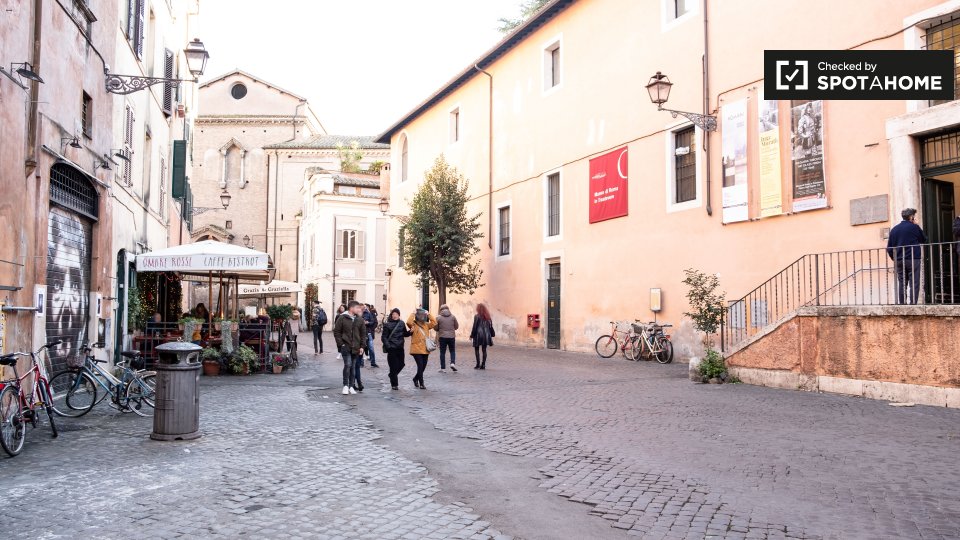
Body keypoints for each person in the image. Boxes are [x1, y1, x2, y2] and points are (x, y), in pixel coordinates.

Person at [886, 208, 928, 305]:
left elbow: (889, 248)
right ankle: (913, 304)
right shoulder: (914, 227)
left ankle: (902, 304)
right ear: (911, 217)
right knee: (914, 282)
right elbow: (924, 239)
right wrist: (917, 225)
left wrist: (895, 258)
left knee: (902, 283)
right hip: (913, 259)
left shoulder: (894, 229)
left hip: (899, 260)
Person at [333, 301, 367, 395]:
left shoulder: (359, 319)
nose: (359, 310)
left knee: (353, 366)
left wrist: (362, 346)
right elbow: (337, 332)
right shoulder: (342, 318)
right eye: (357, 308)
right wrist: (341, 344)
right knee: (347, 365)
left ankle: (351, 386)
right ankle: (345, 385)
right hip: (346, 346)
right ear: (351, 308)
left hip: (356, 347)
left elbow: (363, 334)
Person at [406, 308, 437, 389]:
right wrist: (413, 313)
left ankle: (415, 378)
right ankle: (422, 383)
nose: (422, 317)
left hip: (425, 349)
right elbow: (408, 322)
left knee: (423, 367)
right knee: (420, 366)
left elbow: (434, 323)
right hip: (416, 349)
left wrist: (429, 314)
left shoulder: (426, 325)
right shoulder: (413, 324)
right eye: (421, 315)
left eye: (423, 315)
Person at [381, 308, 411, 390]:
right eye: (393, 314)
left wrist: (410, 332)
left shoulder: (401, 323)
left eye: (396, 314)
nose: (395, 315)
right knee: (393, 367)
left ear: (399, 315)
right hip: (392, 348)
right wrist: (388, 346)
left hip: (400, 347)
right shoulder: (387, 325)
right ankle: (394, 384)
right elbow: (384, 337)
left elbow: (405, 334)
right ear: (391, 315)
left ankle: (391, 375)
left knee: (401, 364)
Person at [469, 304, 495, 370]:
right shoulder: (488, 316)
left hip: (478, 335)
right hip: (486, 335)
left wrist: (471, 335)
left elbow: (474, 327)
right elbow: (490, 326)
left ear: (478, 309)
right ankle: (483, 365)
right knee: (484, 350)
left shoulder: (477, 316)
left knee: (476, 349)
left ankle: (478, 364)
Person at [435, 304, 459, 373]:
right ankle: (452, 363)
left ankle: (443, 368)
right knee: (452, 351)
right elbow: (456, 327)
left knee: (442, 352)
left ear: (441, 310)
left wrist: (439, 329)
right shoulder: (453, 317)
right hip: (451, 336)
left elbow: (435, 327)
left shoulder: (438, 318)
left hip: (442, 337)